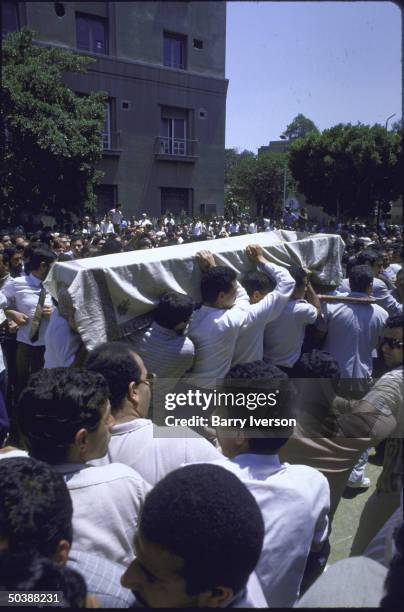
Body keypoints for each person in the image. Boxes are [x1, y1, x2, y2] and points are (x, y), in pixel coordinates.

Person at [209, 371, 330, 607]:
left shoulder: (197, 479)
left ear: (240, 434)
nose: (214, 418)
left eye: (220, 413)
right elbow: (317, 556)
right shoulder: (313, 484)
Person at [16, 368, 151, 566]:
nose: (112, 424)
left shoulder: (11, 486)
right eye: (107, 418)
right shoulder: (124, 482)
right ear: (82, 440)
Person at [120, 463, 266, 608]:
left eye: (151, 577)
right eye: (136, 555)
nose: (126, 580)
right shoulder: (221, 570)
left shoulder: (215, 568)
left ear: (216, 596)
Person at [85, 342, 222, 485]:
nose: (150, 386)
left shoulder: (79, 451)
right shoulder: (184, 441)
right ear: (133, 392)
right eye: (148, 379)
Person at [3, 246, 56, 396]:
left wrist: (55, 312)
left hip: (50, 345)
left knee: (45, 383)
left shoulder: (54, 284)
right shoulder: (16, 284)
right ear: (42, 266)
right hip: (26, 344)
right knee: (23, 382)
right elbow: (1, 305)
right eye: (52, 267)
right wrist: (12, 314)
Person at [320, 265, 388, 380]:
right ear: (371, 285)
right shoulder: (382, 314)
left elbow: (319, 335)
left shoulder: (331, 308)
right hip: (363, 377)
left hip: (332, 375)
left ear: (350, 284)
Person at [128, 291, 195, 395]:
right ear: (181, 324)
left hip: (132, 396)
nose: (191, 320)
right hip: (159, 404)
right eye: (189, 318)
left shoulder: (135, 334)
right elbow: (186, 368)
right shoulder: (186, 349)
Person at [263, 265, 321, 373]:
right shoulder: (300, 309)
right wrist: (310, 283)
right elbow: (317, 310)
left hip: (265, 363)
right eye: (304, 285)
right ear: (294, 288)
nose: (305, 289)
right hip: (287, 367)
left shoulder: (268, 303)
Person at [339, 249, 402, 316]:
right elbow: (396, 310)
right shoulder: (377, 284)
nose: (382, 270)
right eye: (379, 265)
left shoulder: (341, 283)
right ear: (367, 264)